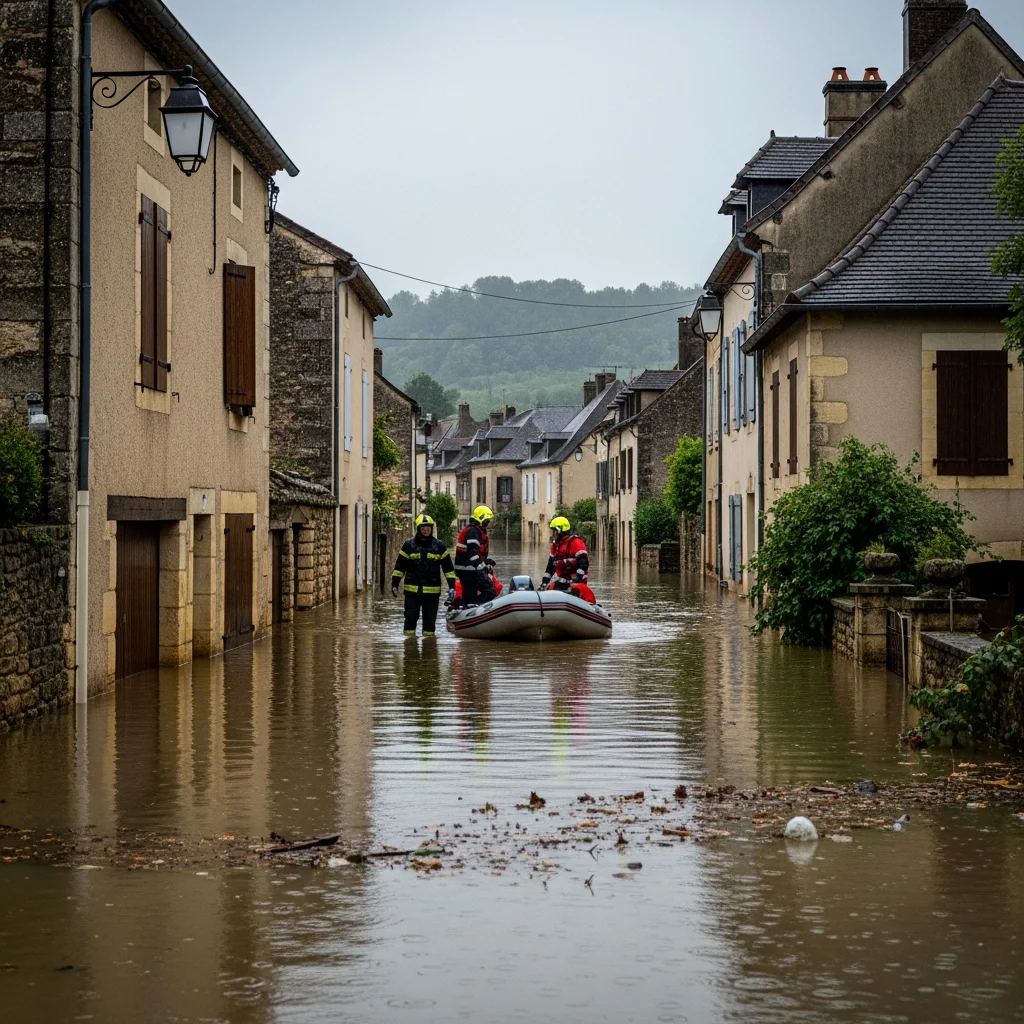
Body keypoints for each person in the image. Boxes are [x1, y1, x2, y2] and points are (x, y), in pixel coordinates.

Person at [391, 513, 456, 636]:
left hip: (432, 593)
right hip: (412, 592)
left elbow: (448, 569)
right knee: (410, 619)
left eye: (428, 527)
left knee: (430, 623)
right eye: (423, 527)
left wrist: (452, 587)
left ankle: (429, 649)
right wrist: (395, 584)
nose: (425, 530)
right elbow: (400, 567)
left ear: (431, 528)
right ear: (418, 529)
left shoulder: (439, 546)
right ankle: (409, 648)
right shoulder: (408, 545)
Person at [454, 505, 497, 606]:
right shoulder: (473, 532)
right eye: (487, 520)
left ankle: (466, 605)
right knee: (489, 590)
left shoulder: (474, 530)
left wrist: (485, 561)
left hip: (467, 569)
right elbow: (472, 554)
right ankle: (470, 607)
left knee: (470, 595)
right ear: (480, 519)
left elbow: (474, 554)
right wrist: (483, 567)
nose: (488, 523)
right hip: (469, 570)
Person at [541, 516, 591, 596]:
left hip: (577, 581)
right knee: (550, 589)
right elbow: (551, 566)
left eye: (554, 530)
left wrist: (577, 581)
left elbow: (584, 563)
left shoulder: (576, 542)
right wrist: (544, 582)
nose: (553, 533)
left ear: (560, 530)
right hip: (563, 580)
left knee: (574, 594)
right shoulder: (555, 545)